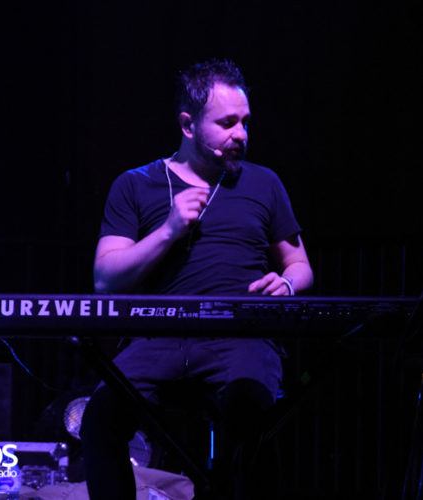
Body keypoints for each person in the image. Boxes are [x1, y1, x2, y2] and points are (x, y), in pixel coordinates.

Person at [81, 59, 314, 500]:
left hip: (240, 338)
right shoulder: (135, 184)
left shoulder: (265, 183)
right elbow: (106, 279)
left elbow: (300, 266)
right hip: (157, 338)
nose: (241, 134)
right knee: (100, 418)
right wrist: (168, 230)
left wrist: (285, 284)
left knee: (252, 413)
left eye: (245, 122)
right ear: (188, 125)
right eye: (227, 123)